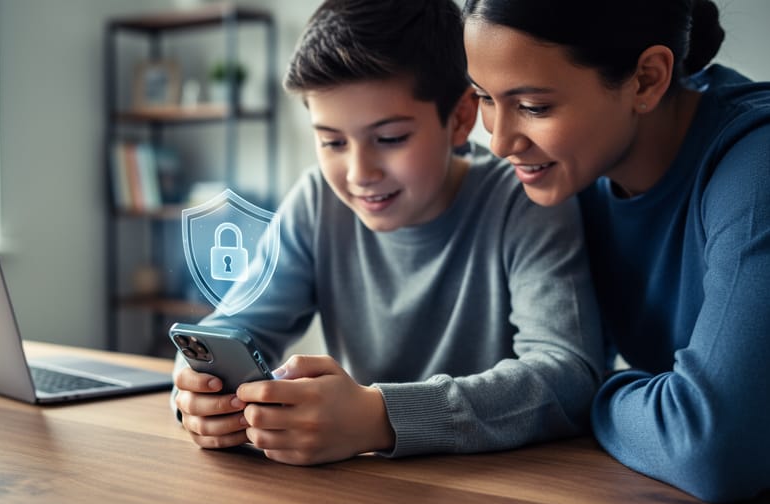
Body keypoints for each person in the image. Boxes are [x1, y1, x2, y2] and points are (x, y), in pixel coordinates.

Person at [172, 0, 603, 466]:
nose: (359, 173)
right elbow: (233, 326)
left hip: (506, 484)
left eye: (391, 138)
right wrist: (196, 387)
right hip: (366, 485)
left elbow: (568, 377)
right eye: (332, 142)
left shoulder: (524, 200)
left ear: (460, 118)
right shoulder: (318, 201)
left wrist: (381, 416)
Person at [462, 0, 770, 504]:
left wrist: (593, 389)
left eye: (534, 106)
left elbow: (712, 448)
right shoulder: (572, 178)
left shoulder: (756, 168)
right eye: (484, 98)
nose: (498, 142)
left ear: (647, 79)